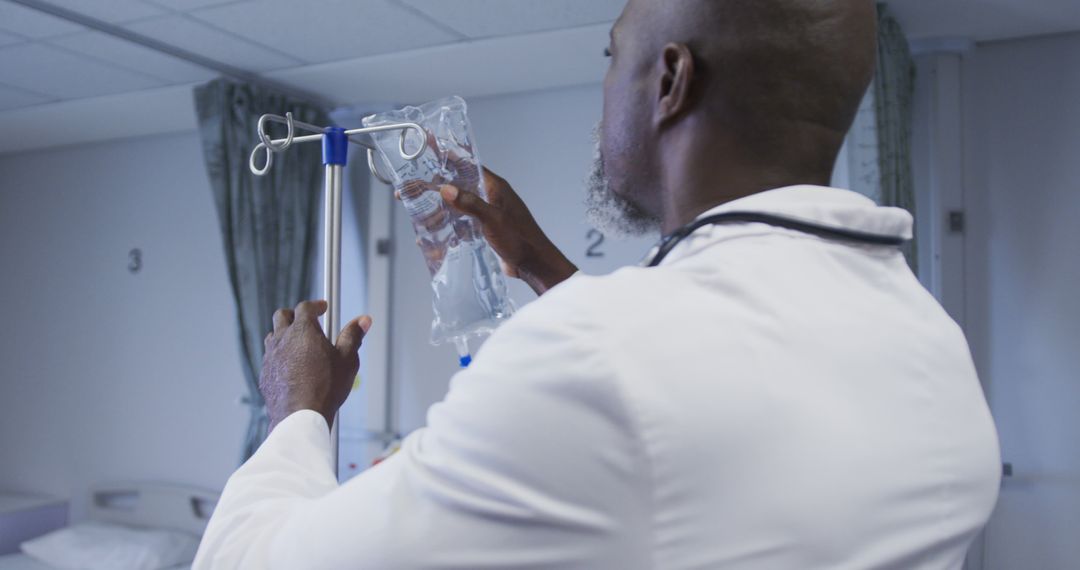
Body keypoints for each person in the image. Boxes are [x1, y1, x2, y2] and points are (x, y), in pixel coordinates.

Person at [194, 0, 1001, 567]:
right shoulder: (932, 343)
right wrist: (544, 267)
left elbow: (248, 558)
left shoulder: (591, 358)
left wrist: (297, 412)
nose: (605, 86)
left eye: (613, 54)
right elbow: (703, 384)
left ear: (670, 80)